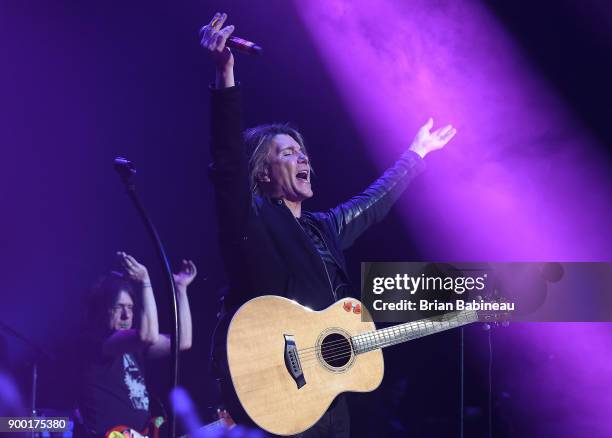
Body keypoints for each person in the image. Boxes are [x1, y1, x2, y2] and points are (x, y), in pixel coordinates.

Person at [201, 12, 456, 437]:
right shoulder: (252, 217)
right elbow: (228, 163)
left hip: (327, 400)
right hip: (276, 395)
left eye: (302, 152)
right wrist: (225, 74)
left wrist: (416, 155)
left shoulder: (324, 229)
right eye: (286, 153)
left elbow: (372, 204)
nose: (302, 158)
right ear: (262, 174)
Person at [75, 252, 197, 438]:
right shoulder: (97, 341)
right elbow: (147, 336)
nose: (126, 315)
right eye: (119, 307)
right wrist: (144, 281)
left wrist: (180, 289)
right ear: (103, 310)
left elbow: (183, 342)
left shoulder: (135, 349)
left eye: (130, 308)